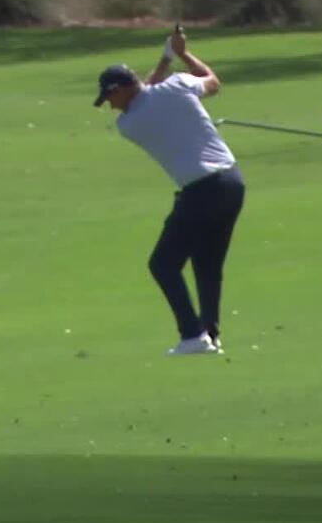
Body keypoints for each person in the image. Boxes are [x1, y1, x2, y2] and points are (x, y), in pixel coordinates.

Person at [93, 25, 245, 356]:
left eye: (110, 97)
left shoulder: (129, 124)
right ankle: (210, 335)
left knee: (162, 264)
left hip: (201, 190)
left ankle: (192, 335)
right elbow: (212, 81)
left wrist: (165, 60)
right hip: (233, 183)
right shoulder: (177, 87)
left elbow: (147, 92)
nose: (109, 106)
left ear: (122, 90)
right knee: (207, 264)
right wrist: (181, 55)